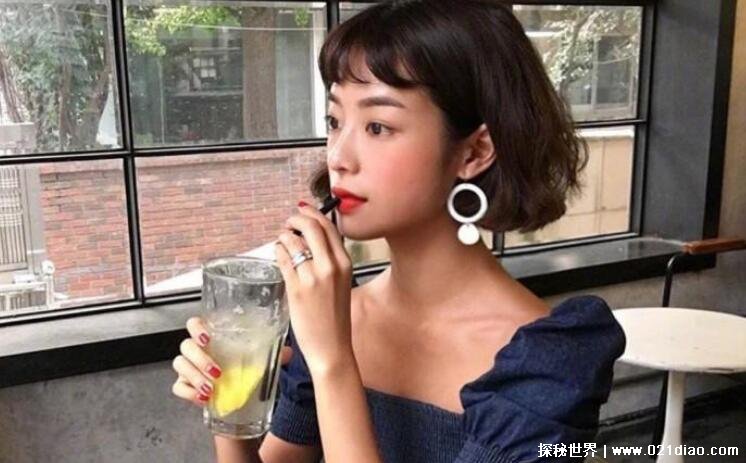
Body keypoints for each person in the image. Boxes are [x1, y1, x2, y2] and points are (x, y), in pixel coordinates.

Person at [171, 1, 626, 462]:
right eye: (334, 122)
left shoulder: (550, 364)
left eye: (378, 126)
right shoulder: (337, 316)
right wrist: (229, 411)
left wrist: (333, 363)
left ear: (474, 152)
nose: (338, 157)